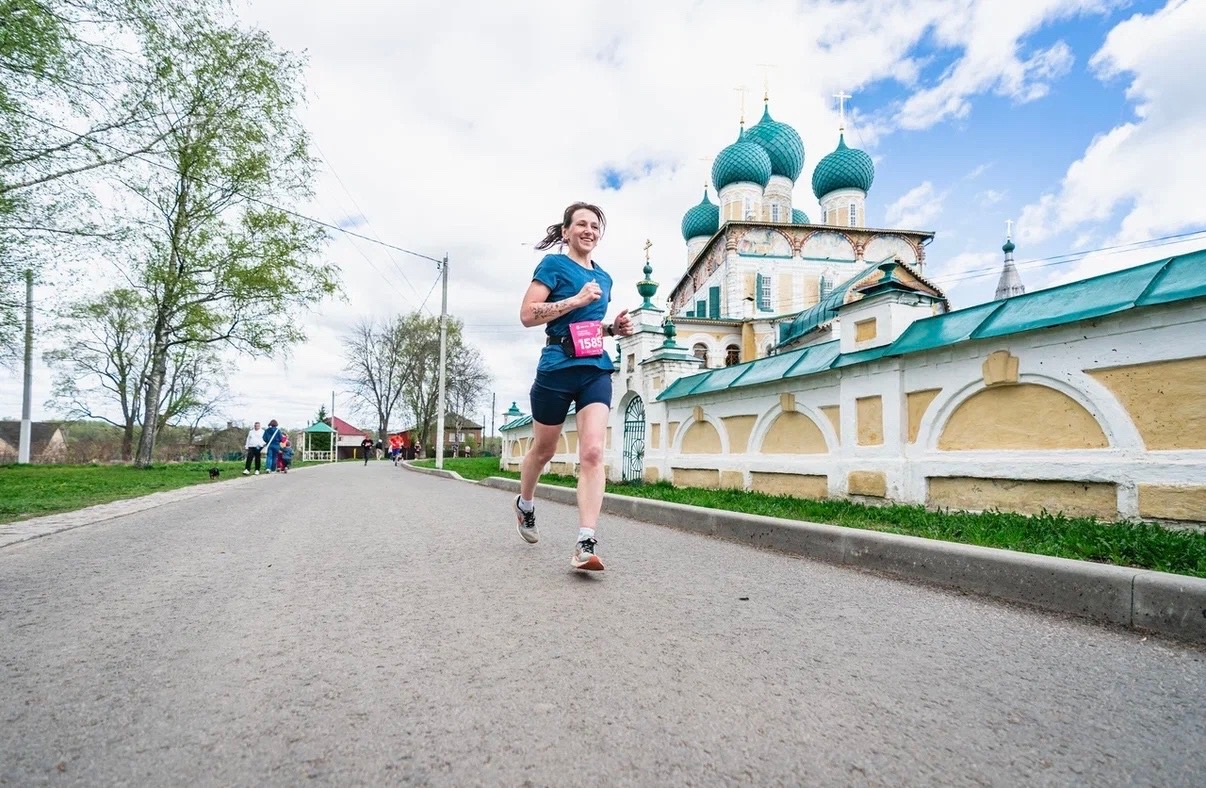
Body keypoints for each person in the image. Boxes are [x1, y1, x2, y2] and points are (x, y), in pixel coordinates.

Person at [514, 201, 635, 571]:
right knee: (544, 450)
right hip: (556, 367)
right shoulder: (553, 266)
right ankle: (526, 504)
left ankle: (586, 542)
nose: (589, 230)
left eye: (595, 226)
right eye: (581, 224)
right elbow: (528, 315)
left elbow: (588, 326)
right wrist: (576, 299)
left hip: (595, 368)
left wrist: (612, 328)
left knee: (593, 453)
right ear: (566, 231)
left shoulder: (606, 278)